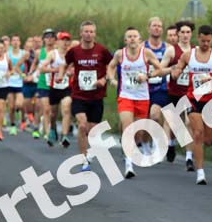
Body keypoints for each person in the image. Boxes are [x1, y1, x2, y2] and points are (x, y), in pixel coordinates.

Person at [170, 24, 212, 185]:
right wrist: (175, 74)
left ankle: (207, 147)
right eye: (203, 41)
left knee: (208, 139)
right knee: (197, 133)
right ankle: (200, 172)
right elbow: (177, 70)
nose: (206, 44)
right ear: (198, 38)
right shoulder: (188, 55)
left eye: (209, 41)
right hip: (194, 99)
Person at [107, 26, 165, 178]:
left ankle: (134, 147)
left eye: (135, 36)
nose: (132, 39)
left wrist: (148, 75)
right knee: (128, 127)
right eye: (129, 36)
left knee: (139, 131)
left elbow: (159, 69)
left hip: (142, 97)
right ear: (125, 40)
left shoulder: (146, 53)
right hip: (125, 96)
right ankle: (128, 164)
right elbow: (111, 66)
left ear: (140, 40)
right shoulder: (120, 54)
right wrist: (111, 79)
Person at [64, 20, 113, 169]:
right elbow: (66, 65)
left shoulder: (102, 51)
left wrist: (104, 80)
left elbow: (111, 66)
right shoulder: (74, 51)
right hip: (79, 95)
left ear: (95, 34)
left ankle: (89, 152)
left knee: (93, 132)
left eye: (91, 31)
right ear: (81, 33)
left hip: (96, 97)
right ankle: (84, 159)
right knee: (82, 125)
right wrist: (66, 72)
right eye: (86, 31)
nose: (88, 34)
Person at [163, 20, 195, 168]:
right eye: (182, 32)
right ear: (177, 34)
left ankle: (189, 157)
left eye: (188, 32)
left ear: (192, 34)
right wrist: (173, 69)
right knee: (175, 123)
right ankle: (171, 144)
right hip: (174, 92)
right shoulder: (171, 51)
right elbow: (160, 69)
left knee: (189, 122)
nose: (185, 35)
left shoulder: (196, 51)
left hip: (190, 93)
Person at [143, 17, 174, 160]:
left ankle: (158, 145)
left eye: (159, 26)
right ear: (148, 28)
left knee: (155, 116)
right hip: (142, 88)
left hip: (161, 88)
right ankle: (144, 143)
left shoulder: (168, 48)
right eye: (154, 26)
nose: (157, 28)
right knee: (143, 120)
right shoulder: (142, 47)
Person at [6, 35, 27, 135]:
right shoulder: (7, 54)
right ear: (11, 43)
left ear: (20, 42)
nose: (15, 42)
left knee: (19, 104)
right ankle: (13, 125)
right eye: (13, 40)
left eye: (17, 40)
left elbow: (29, 64)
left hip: (19, 82)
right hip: (9, 82)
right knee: (11, 107)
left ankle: (22, 117)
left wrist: (25, 74)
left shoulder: (24, 53)